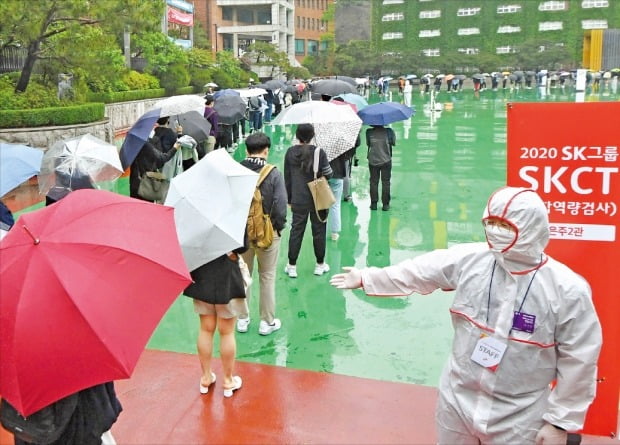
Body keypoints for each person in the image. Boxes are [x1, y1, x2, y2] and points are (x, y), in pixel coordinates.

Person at [330, 186, 602, 445]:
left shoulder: (566, 290)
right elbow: (420, 271)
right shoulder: (471, 260)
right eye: (491, 223)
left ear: (532, 229)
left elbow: (580, 360)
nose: (496, 232)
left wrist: (560, 422)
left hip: (520, 412)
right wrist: (367, 277)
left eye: (507, 227)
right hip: (458, 398)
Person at [237, 132, 287, 335]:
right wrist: (277, 228)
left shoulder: (236, 169)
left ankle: (242, 318)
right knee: (267, 276)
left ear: (246, 150)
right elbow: (281, 206)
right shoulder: (273, 173)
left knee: (243, 274)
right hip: (267, 233)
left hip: (241, 233)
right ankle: (267, 322)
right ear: (266, 150)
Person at [184, 240, 248, 398]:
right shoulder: (232, 215)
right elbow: (243, 246)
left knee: (205, 328)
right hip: (227, 276)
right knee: (226, 332)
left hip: (202, 273)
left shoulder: (193, 217)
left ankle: (206, 377)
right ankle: (228, 381)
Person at [283, 123, 332, 278]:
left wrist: (289, 199)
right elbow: (328, 174)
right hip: (317, 199)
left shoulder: (290, 152)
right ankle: (319, 264)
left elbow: (287, 178)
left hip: (298, 198)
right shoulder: (319, 152)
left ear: (297, 136)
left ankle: (292, 266)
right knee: (319, 231)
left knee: (296, 231)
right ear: (312, 136)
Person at [366, 124, 396, 211]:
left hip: (373, 160)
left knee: (373, 182)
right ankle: (385, 205)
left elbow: (368, 144)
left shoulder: (369, 132)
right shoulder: (389, 131)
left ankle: (374, 204)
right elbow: (393, 143)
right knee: (386, 182)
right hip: (386, 160)